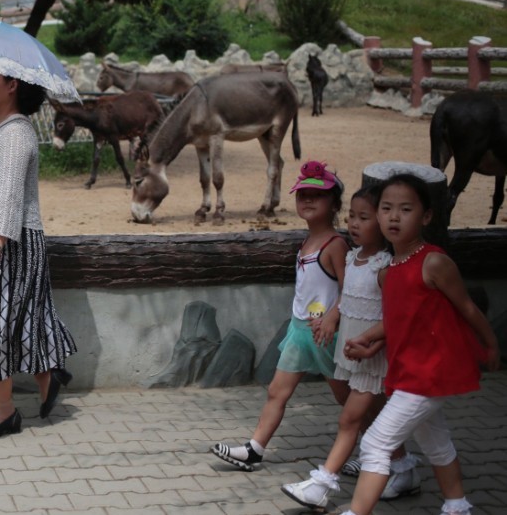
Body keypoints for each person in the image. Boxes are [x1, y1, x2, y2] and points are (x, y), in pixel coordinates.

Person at [339, 173, 500, 515]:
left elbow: (468, 308)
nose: (394, 217)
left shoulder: (433, 262)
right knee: (436, 443)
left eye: (406, 209)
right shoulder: (391, 267)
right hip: (409, 371)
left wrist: (491, 345)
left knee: (376, 443)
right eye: (386, 209)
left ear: (426, 216)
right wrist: (370, 340)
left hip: (429, 373)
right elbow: (401, 320)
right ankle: (457, 507)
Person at [0, 73, 77, 438]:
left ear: (12, 86)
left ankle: (6, 411)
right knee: (16, 319)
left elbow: (9, 197)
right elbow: (1, 183)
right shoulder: (5, 128)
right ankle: (47, 373)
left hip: (4, 240)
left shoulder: (16, 133)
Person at [281, 185, 418, 509]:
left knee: (349, 420)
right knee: (375, 415)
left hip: (372, 358)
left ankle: (321, 484)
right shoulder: (353, 257)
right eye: (352, 216)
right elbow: (348, 297)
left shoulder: (385, 266)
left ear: (382, 223)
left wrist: (375, 345)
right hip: (351, 354)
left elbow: (396, 317)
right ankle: (405, 469)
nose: (355, 224)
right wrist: (331, 318)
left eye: (364, 217)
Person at [212, 160, 350, 470]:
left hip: (324, 334)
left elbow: (351, 289)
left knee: (349, 400)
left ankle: (392, 456)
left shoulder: (335, 244)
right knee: (277, 391)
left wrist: (332, 318)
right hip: (300, 332)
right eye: (302, 195)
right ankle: (255, 449)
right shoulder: (307, 242)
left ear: (335, 203)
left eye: (317, 196)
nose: (308, 201)